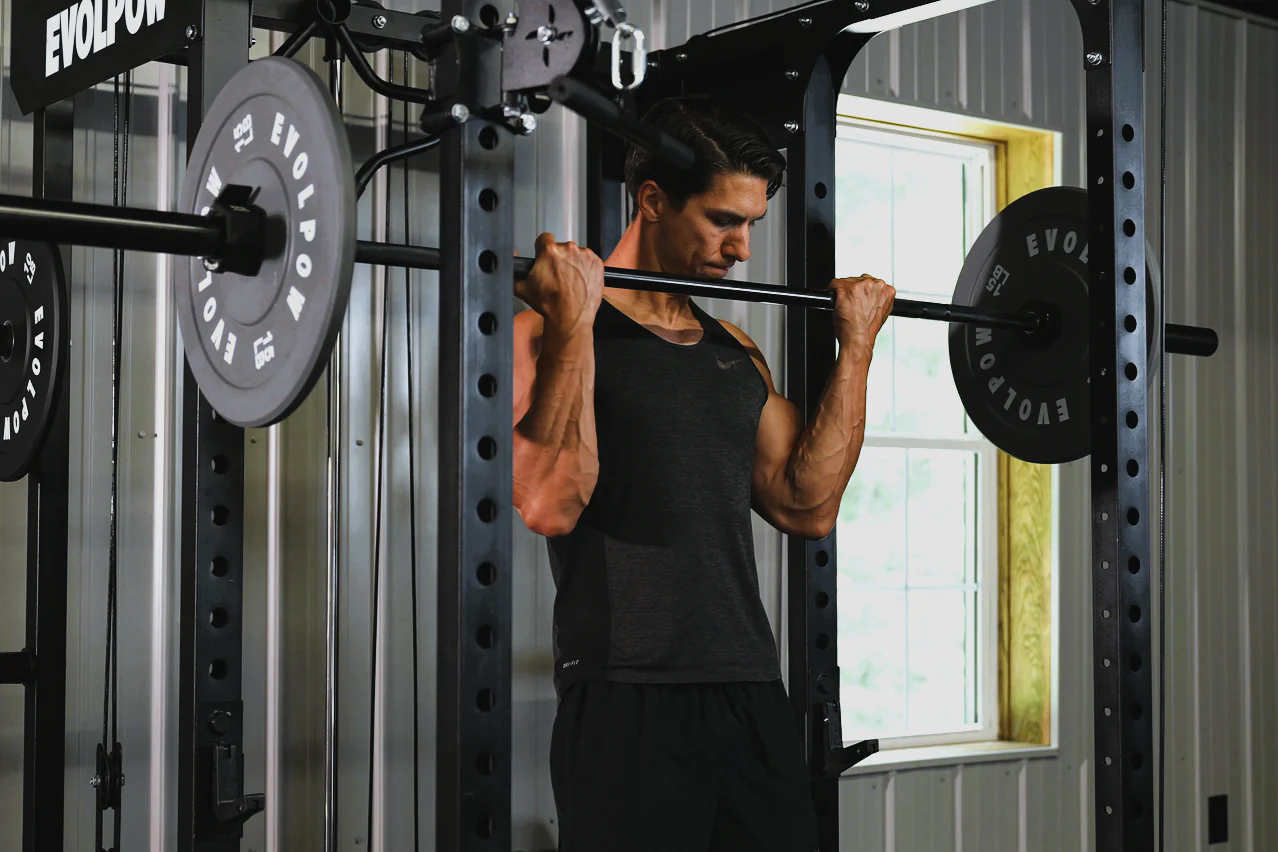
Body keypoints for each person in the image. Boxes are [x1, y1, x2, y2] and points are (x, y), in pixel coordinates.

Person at [511, 97, 895, 852]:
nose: (743, 250)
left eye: (752, 223)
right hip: (626, 695)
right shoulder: (546, 330)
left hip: (749, 690)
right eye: (725, 220)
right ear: (652, 201)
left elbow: (805, 505)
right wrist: (577, 325)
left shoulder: (734, 351)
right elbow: (550, 503)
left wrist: (857, 349)